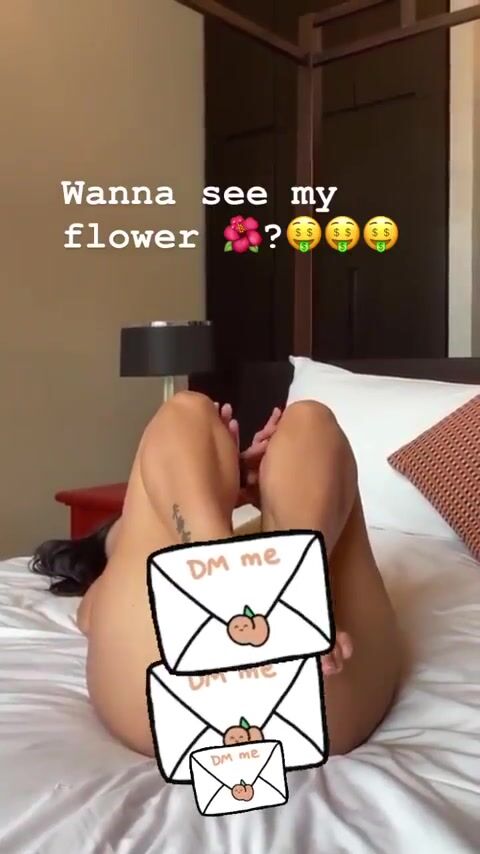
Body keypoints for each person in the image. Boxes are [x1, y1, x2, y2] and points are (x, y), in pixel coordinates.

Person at [32, 392, 401, 757]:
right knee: (307, 419)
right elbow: (89, 613)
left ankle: (224, 573)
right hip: (317, 696)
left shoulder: (127, 566)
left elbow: (92, 618)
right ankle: (288, 595)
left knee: (191, 411)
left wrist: (223, 485)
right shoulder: (117, 559)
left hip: (170, 701)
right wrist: (237, 486)